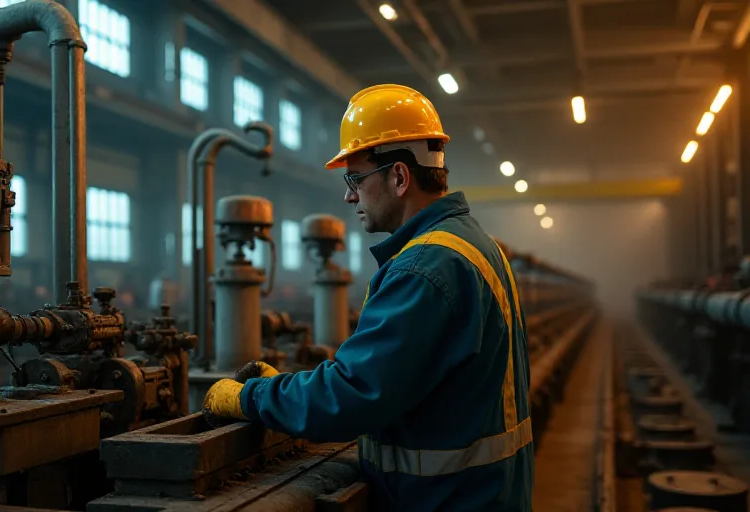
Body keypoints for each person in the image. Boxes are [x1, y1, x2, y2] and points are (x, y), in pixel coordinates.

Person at [202, 84, 534, 511]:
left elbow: (351, 397)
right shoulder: (474, 246)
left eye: (355, 179)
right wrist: (283, 387)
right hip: (484, 495)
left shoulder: (426, 268)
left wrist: (250, 397)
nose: (349, 195)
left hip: (445, 501)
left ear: (399, 176)